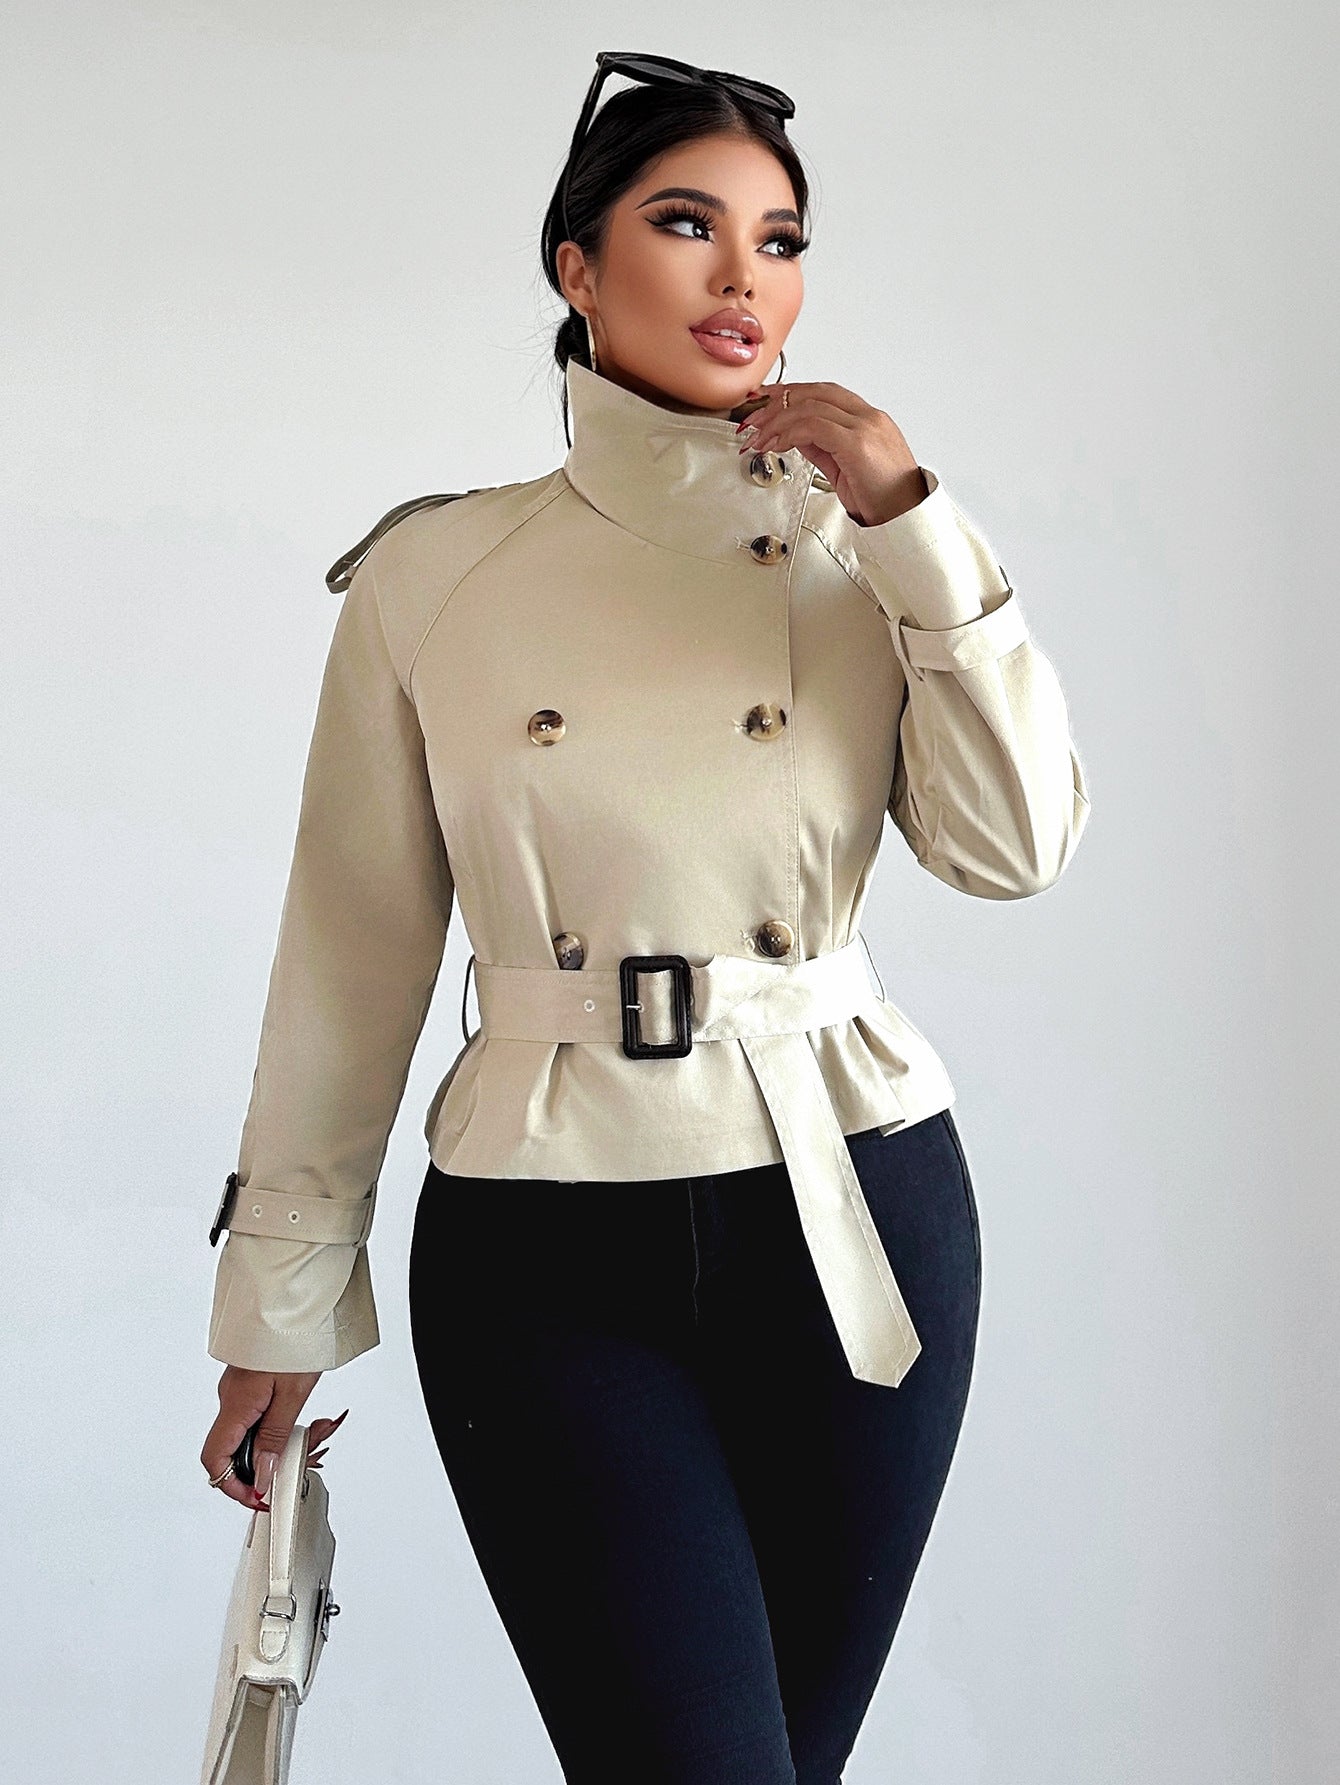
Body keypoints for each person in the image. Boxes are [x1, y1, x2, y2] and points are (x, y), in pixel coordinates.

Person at [199, 51, 1090, 1783]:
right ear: (578, 266)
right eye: (689, 224)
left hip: (855, 1210)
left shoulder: (867, 555)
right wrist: (278, 1305)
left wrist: (913, 517)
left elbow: (1016, 845)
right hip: (544, 1248)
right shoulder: (434, 578)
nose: (745, 276)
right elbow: (348, 962)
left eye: (782, 240)